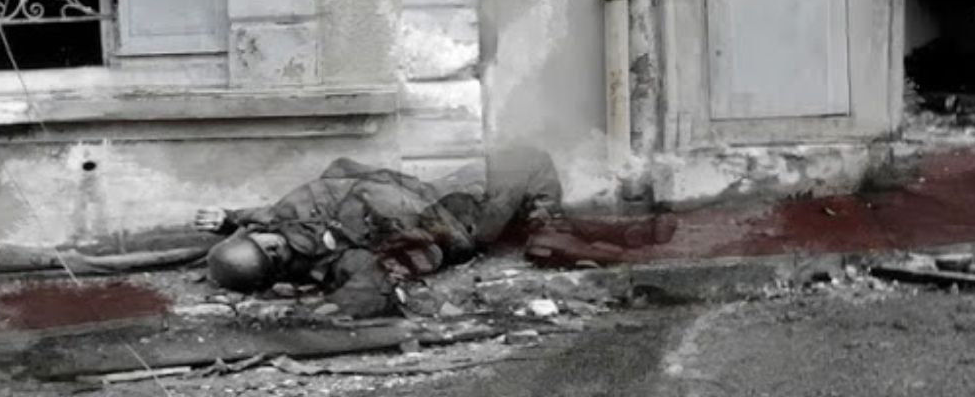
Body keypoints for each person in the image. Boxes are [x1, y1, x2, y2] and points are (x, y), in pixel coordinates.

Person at [194, 146, 675, 317]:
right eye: (273, 248)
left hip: (430, 197)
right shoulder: (339, 260)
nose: (276, 234)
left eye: (266, 235)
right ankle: (548, 232)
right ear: (278, 264)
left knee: (513, 182)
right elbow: (370, 288)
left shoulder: (284, 229)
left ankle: (572, 229)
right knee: (528, 159)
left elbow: (265, 217)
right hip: (452, 216)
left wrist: (229, 218)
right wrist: (326, 306)